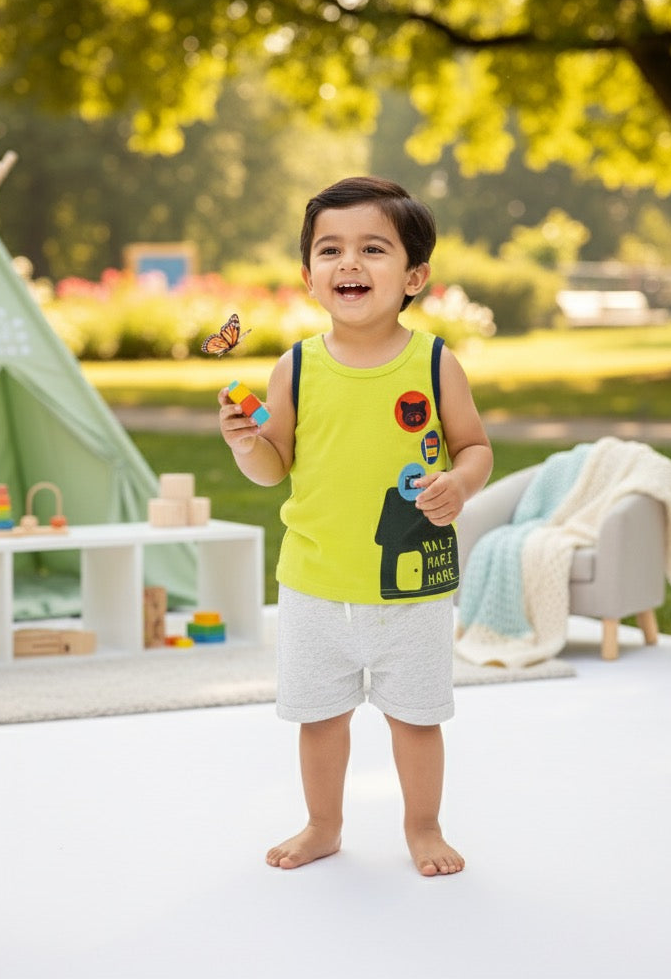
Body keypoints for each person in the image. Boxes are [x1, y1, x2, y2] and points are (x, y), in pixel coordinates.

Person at [218, 176, 493, 876]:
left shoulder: (434, 363)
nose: (350, 264)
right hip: (315, 584)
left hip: (411, 586)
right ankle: (323, 824)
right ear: (308, 275)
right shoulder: (296, 368)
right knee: (319, 718)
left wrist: (458, 485)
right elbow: (272, 466)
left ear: (414, 275)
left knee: (417, 718)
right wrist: (247, 443)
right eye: (330, 249)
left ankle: (424, 827)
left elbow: (475, 448)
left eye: (374, 249)